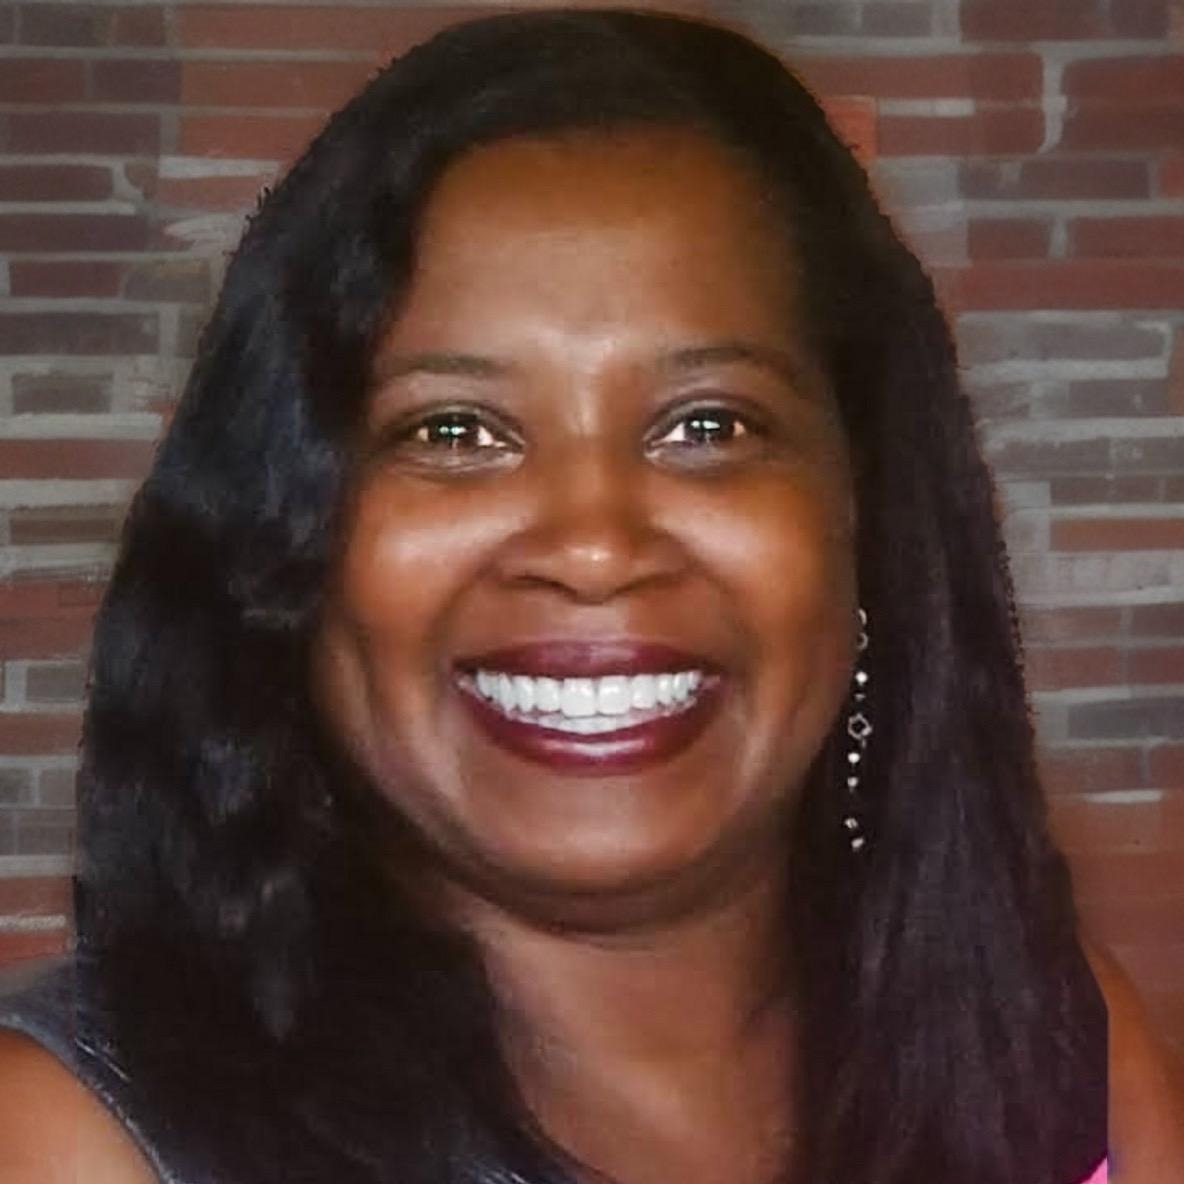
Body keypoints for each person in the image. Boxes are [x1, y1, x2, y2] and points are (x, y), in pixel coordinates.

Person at [0, 9, 1181, 1184]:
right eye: (453, 431)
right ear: (287, 535)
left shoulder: (1045, 1041)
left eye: (706, 425)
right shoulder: (77, 1139)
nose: (593, 546)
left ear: (862, 514)